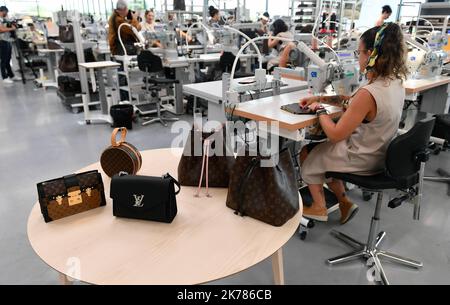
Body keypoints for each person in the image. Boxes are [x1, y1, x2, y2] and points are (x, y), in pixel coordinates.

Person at [298, 23, 408, 223]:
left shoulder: (369, 92)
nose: (358, 58)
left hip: (362, 157)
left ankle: (319, 207)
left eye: (359, 52)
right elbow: (350, 101)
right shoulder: (394, 83)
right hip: (379, 152)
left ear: (370, 54)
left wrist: (319, 110)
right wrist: (320, 99)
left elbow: (335, 134)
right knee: (325, 152)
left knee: (307, 153)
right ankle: (344, 202)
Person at [0, 6, 21, 84]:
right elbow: (1, 29)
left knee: (8, 60)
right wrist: (12, 28)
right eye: (6, 12)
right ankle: (4, 77)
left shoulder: (4, 19)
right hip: (2, 41)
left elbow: (8, 25)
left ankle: (11, 75)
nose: (7, 14)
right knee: (3, 60)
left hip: (7, 40)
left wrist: (13, 24)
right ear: (3, 11)